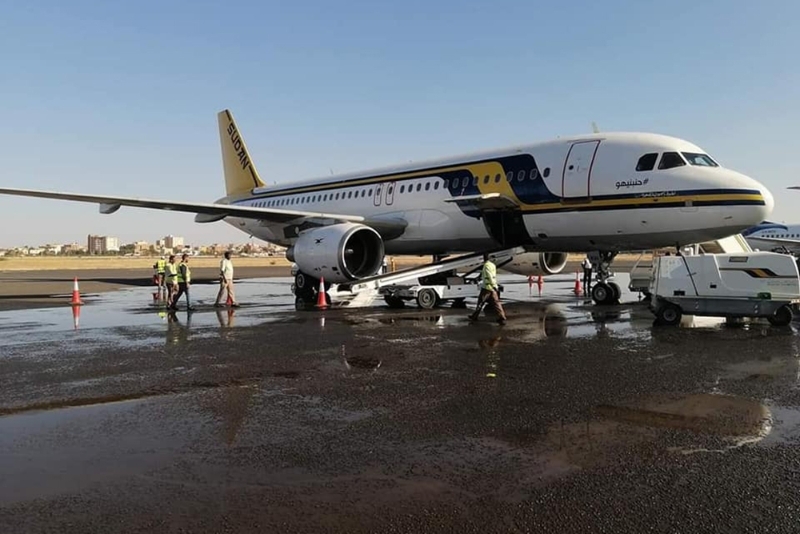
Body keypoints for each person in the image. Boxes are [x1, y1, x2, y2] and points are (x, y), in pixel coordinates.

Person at [469, 253, 507, 325]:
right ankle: (502, 317)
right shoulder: (493, 265)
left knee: (480, 302)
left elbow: (489, 276)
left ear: (484, 258)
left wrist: (492, 284)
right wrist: (495, 286)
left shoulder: (486, 265)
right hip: (492, 287)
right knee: (496, 303)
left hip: (487, 287)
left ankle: (474, 316)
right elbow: (493, 276)